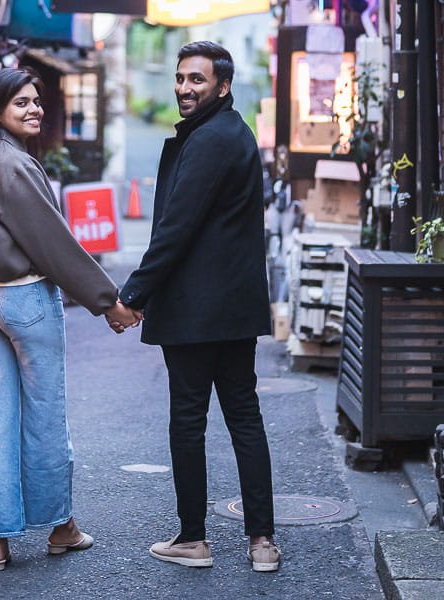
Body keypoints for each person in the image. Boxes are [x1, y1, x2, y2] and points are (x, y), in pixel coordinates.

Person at [0, 67, 141, 571]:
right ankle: (60, 527)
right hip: (23, 300)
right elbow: (53, 245)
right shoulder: (15, 165)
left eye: (36, 101)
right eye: (21, 104)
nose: (34, 109)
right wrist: (108, 303)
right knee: (45, 416)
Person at [118, 41, 280, 573]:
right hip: (233, 308)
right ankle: (262, 541)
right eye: (181, 78)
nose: (185, 88)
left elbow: (175, 230)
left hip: (195, 310)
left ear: (223, 86)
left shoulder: (210, 140)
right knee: (244, 418)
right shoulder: (233, 132)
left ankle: (194, 539)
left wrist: (132, 295)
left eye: (197, 80)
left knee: (190, 421)